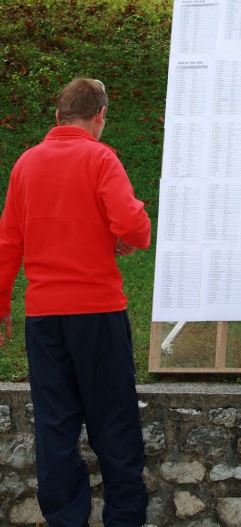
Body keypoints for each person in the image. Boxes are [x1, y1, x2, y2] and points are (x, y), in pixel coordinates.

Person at [0, 78, 151, 527]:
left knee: (54, 425)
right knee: (114, 420)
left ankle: (66, 518)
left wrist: (3, 302)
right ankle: (124, 517)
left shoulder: (26, 164)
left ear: (57, 116)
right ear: (100, 115)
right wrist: (126, 234)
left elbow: (8, 241)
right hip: (98, 311)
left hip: (44, 316)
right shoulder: (100, 157)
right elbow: (134, 227)